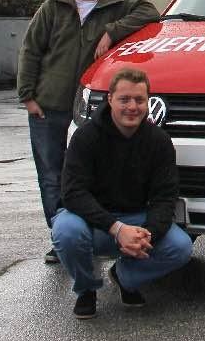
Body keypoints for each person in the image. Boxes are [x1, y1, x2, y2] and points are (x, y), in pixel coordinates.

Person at [17, 0, 157, 264]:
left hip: (92, 108)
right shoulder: (53, 6)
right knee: (51, 173)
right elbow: (31, 50)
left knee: (87, 173)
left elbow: (151, 13)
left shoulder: (120, 5)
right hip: (49, 105)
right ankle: (61, 237)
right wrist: (27, 96)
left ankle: (89, 234)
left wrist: (113, 30)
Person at [51, 67, 193, 317]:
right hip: (91, 221)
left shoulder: (159, 141)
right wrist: (117, 229)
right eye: (124, 99)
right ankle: (86, 288)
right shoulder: (86, 137)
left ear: (147, 102)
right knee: (66, 232)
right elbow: (73, 193)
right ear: (110, 100)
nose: (132, 107)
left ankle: (126, 278)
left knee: (180, 247)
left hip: (136, 219)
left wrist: (147, 234)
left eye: (139, 100)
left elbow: (164, 197)